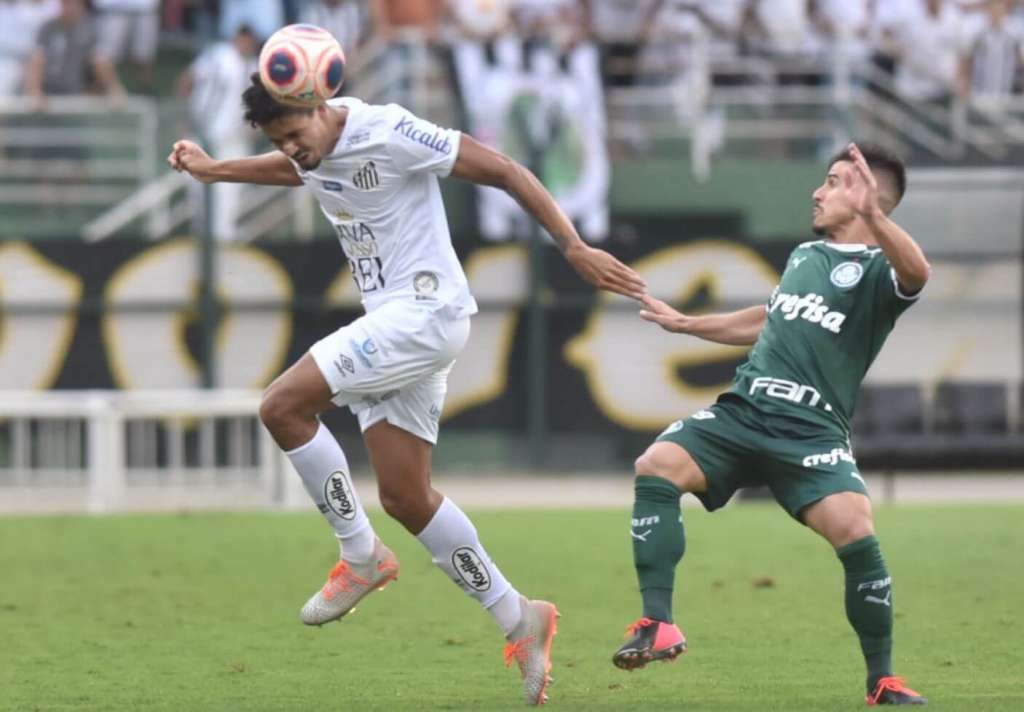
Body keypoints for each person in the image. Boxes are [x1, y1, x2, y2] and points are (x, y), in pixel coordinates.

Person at [168, 74, 646, 706]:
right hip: (398, 323)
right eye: (280, 141)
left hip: (422, 313)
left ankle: (360, 557)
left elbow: (506, 169)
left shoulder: (388, 130)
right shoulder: (308, 152)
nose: (292, 150)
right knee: (405, 496)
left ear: (317, 105)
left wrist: (573, 244)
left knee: (282, 407)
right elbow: (299, 171)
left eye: (294, 134)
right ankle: (519, 617)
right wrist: (216, 170)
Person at [612, 143, 930, 706]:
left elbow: (918, 273)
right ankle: (657, 623)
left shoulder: (882, 271)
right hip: (744, 412)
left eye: (833, 181)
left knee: (857, 531)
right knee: (656, 466)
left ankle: (881, 680)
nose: (818, 190)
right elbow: (769, 317)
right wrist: (688, 325)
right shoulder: (806, 255)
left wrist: (877, 219)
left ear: (866, 196)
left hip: (811, 432)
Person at [175, 24, 259, 241]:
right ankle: (202, 238)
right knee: (197, 189)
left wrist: (254, 125)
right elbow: (188, 78)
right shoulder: (219, 56)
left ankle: (223, 237)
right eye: (243, 39)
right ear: (236, 39)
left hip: (233, 139)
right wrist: (184, 115)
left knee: (230, 191)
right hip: (204, 132)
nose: (246, 45)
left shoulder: (255, 66)